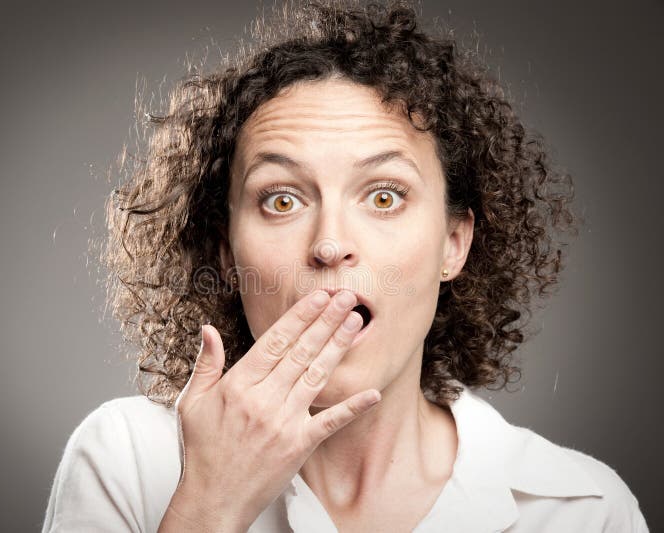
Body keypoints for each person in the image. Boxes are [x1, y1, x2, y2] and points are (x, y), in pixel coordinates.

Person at [41, 1, 649, 531]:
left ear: (453, 244)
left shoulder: (584, 511)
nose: (330, 245)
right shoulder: (127, 461)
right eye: (282, 200)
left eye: (384, 196)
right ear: (227, 254)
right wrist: (211, 504)